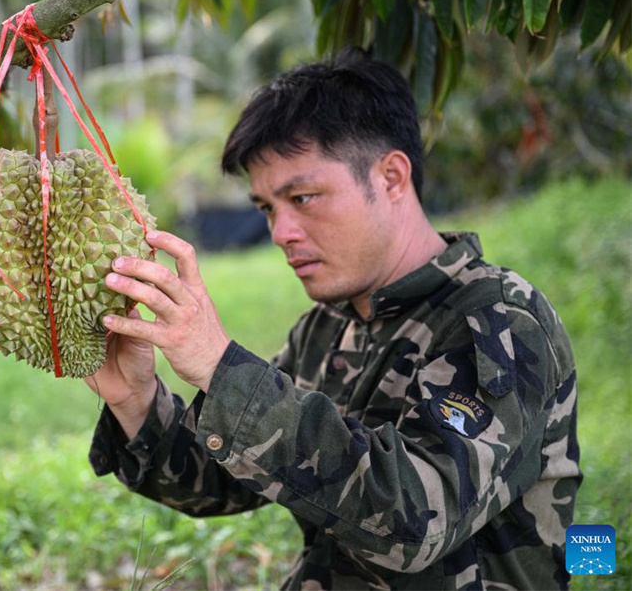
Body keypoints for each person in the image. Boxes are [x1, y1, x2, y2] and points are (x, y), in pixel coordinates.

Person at [84, 48, 581, 589]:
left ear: (391, 177)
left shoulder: (498, 320)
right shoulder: (326, 329)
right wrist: (136, 401)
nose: (281, 233)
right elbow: (222, 481)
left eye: (302, 197)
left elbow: (416, 522)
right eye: (267, 208)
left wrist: (220, 367)